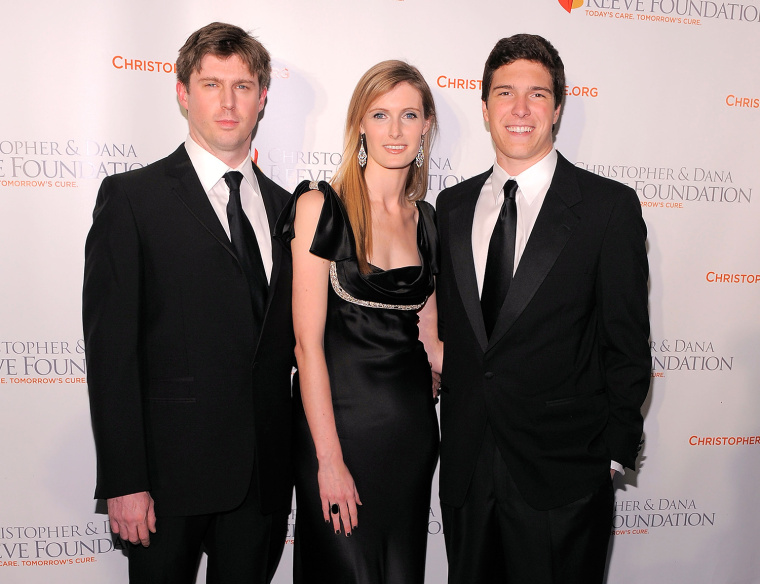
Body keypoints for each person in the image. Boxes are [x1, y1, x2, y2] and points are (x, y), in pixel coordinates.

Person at [82, 22, 294, 584]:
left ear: (263, 98)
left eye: (243, 86)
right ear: (182, 93)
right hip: (165, 482)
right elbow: (111, 354)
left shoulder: (288, 209)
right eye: (211, 84)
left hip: (262, 482)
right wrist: (125, 480)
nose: (228, 101)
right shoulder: (132, 199)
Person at [435, 34, 651, 584]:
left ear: (557, 107)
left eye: (538, 94)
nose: (521, 109)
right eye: (505, 93)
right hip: (467, 472)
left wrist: (608, 454)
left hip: (564, 475)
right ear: (484, 108)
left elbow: (627, 342)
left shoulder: (607, 207)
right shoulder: (451, 206)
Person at [275, 60, 441, 584]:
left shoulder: (429, 220)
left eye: (409, 115)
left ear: (426, 126)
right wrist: (329, 462)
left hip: (410, 438)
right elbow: (306, 347)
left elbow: (432, 338)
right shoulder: (320, 206)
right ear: (360, 125)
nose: (395, 130)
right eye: (381, 114)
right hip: (339, 434)